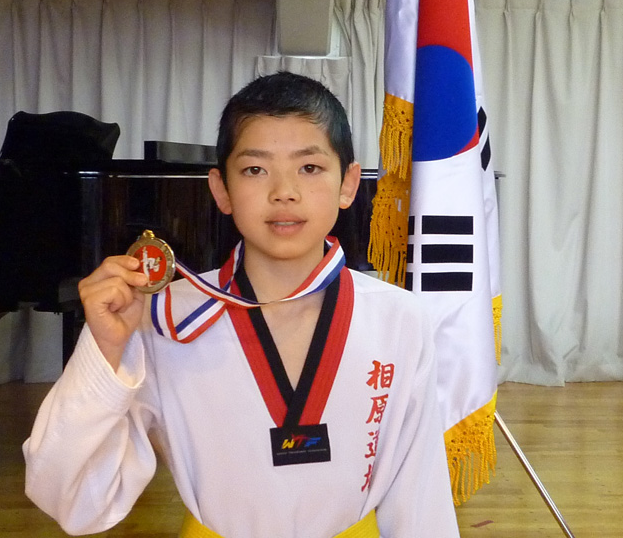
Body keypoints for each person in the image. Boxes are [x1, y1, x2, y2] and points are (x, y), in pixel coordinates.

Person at [23, 71, 461, 538]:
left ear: (349, 183)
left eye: (310, 167)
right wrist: (104, 351)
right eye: (255, 169)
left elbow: (421, 503)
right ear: (221, 189)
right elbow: (74, 503)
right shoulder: (162, 318)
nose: (284, 191)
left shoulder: (399, 319)